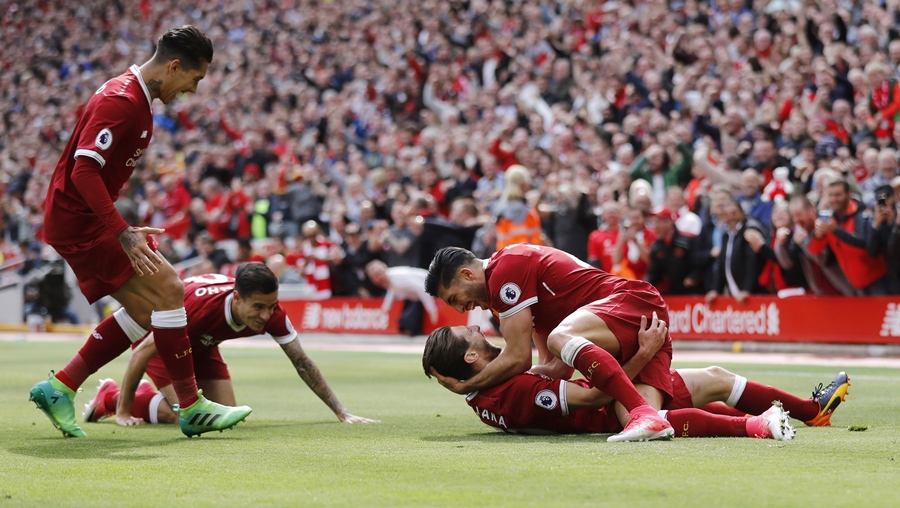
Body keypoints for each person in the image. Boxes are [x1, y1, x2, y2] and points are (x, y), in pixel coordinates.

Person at [29, 25, 251, 438]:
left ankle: (60, 386)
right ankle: (191, 406)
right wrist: (122, 232)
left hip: (87, 219)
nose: (194, 90)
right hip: (83, 221)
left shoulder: (136, 98)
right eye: (194, 78)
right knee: (169, 291)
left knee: (148, 312)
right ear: (173, 67)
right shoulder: (122, 100)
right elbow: (83, 169)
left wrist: (121, 226)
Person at [424, 244, 675, 443]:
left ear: (467, 274)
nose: (459, 309)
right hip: (624, 328)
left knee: (559, 338)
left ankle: (642, 412)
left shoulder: (504, 272)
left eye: (455, 298)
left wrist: (466, 386)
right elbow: (556, 369)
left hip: (632, 304)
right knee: (686, 400)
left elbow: (519, 357)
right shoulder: (510, 298)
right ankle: (649, 415)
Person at [82, 263, 377, 428]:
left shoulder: (273, 314)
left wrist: (341, 411)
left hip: (205, 345)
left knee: (223, 416)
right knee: (181, 416)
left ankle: (146, 399)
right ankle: (111, 397)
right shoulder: (196, 310)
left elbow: (302, 361)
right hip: (167, 342)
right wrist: (122, 412)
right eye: (259, 307)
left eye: (271, 306)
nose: (265, 316)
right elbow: (142, 353)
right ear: (237, 298)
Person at [422, 322, 850, 436]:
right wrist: (642, 353)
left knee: (704, 401)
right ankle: (805, 413)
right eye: (469, 335)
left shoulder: (481, 396)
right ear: (472, 356)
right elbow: (590, 398)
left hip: (606, 414)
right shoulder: (509, 390)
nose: (476, 326)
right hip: (611, 412)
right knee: (715, 381)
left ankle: (766, 422)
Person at [366, 259, 438, 336]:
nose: (378, 279)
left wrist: (432, 310)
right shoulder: (391, 281)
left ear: (384, 269)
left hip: (435, 283)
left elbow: (422, 289)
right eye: (374, 277)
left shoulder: (396, 277)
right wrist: (384, 309)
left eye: (378, 274)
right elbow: (391, 293)